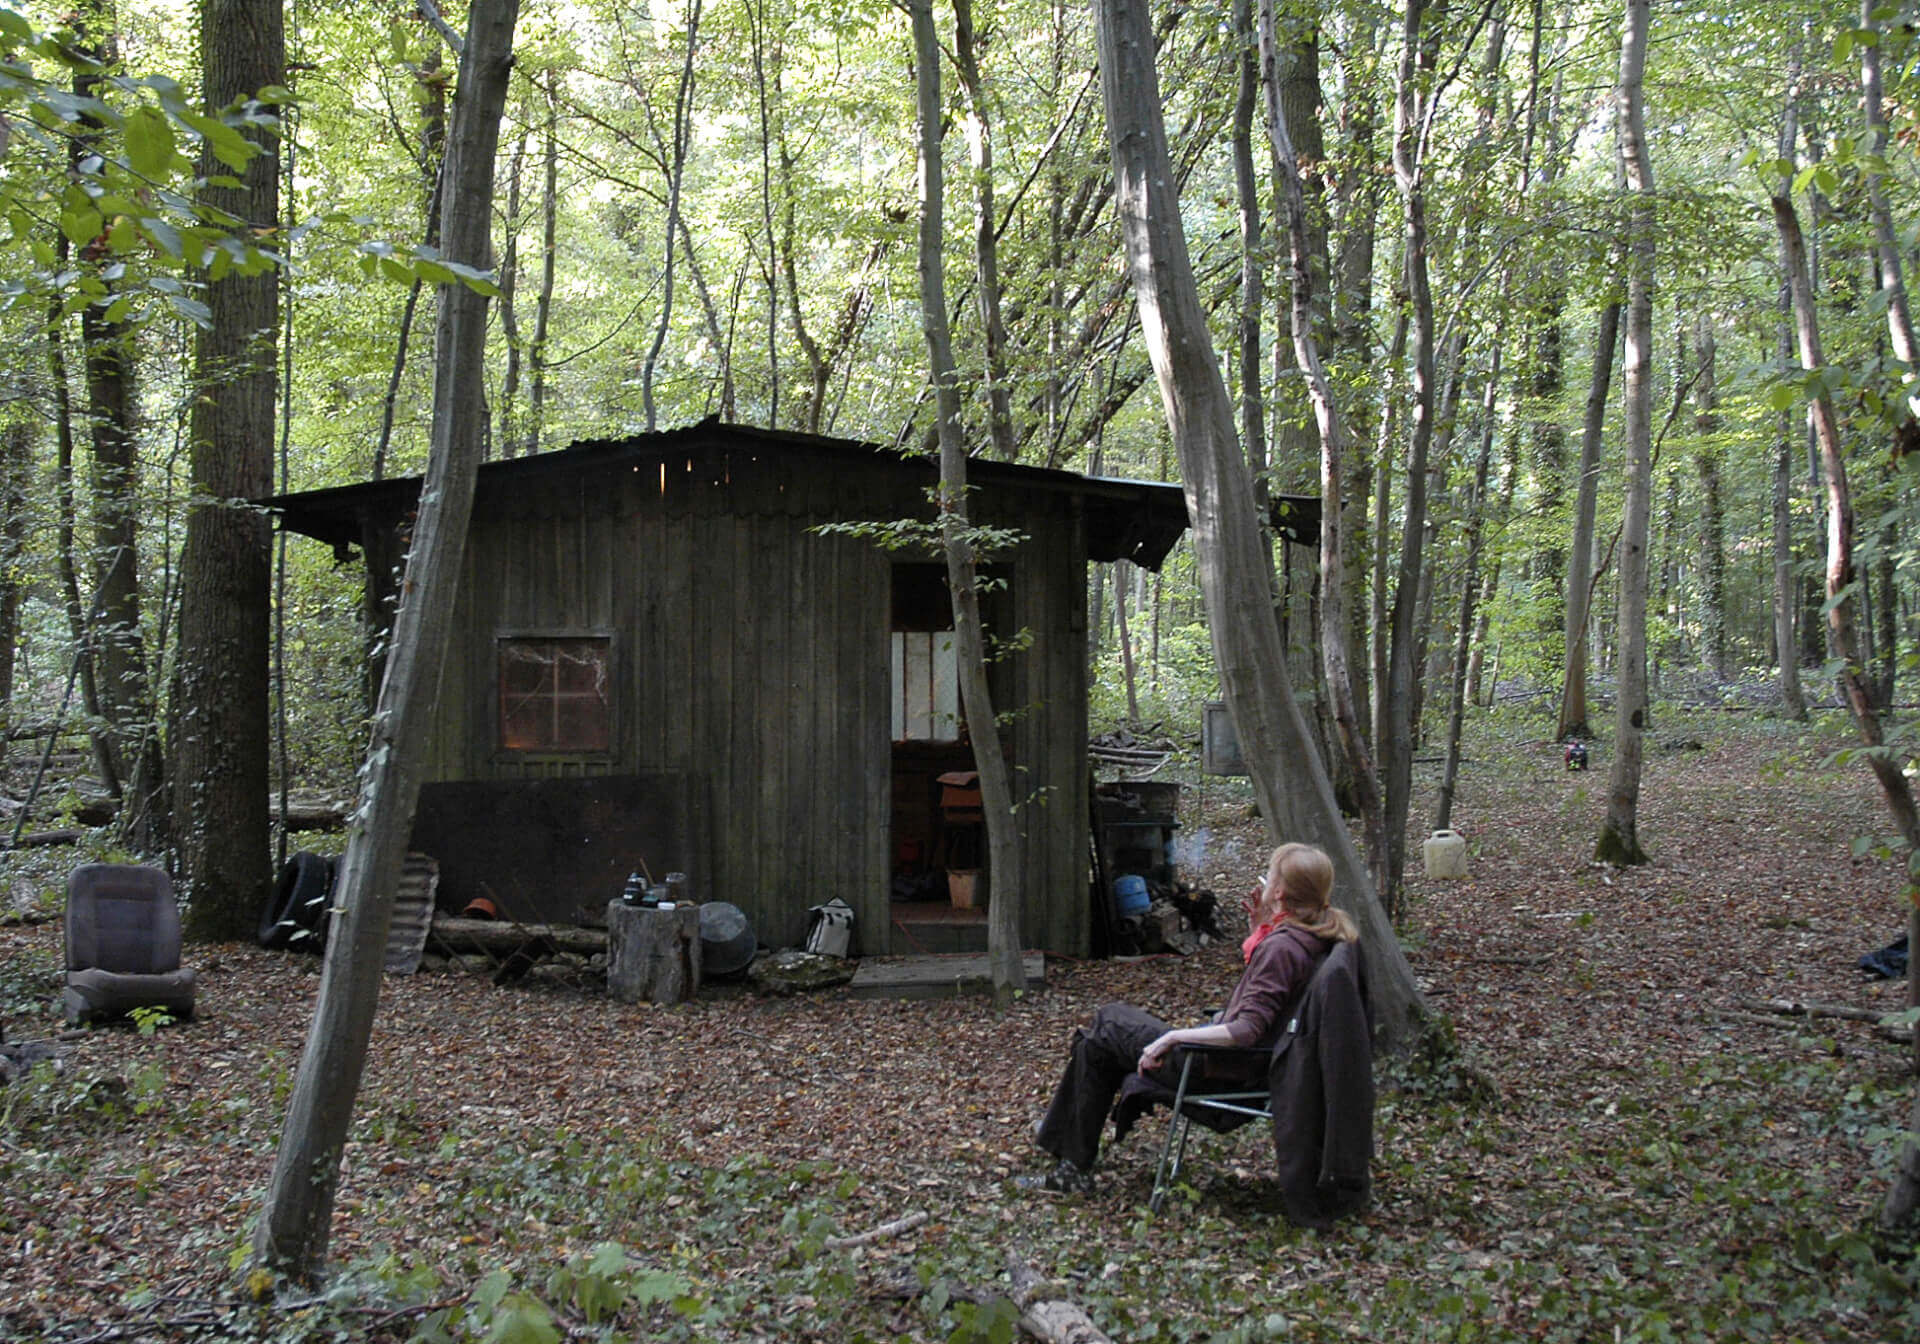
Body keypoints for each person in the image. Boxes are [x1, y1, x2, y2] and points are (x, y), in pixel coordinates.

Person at [1018, 842, 1360, 1194]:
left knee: (1107, 1021)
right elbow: (1266, 993)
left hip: (1217, 1069)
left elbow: (1247, 1029)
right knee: (1095, 1045)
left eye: (1271, 874)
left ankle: (1066, 1150)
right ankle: (1068, 1155)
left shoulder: (1283, 948)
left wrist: (1174, 1037)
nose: (1266, 879)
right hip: (1235, 1065)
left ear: (1280, 891)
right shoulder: (1309, 934)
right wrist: (1258, 928)